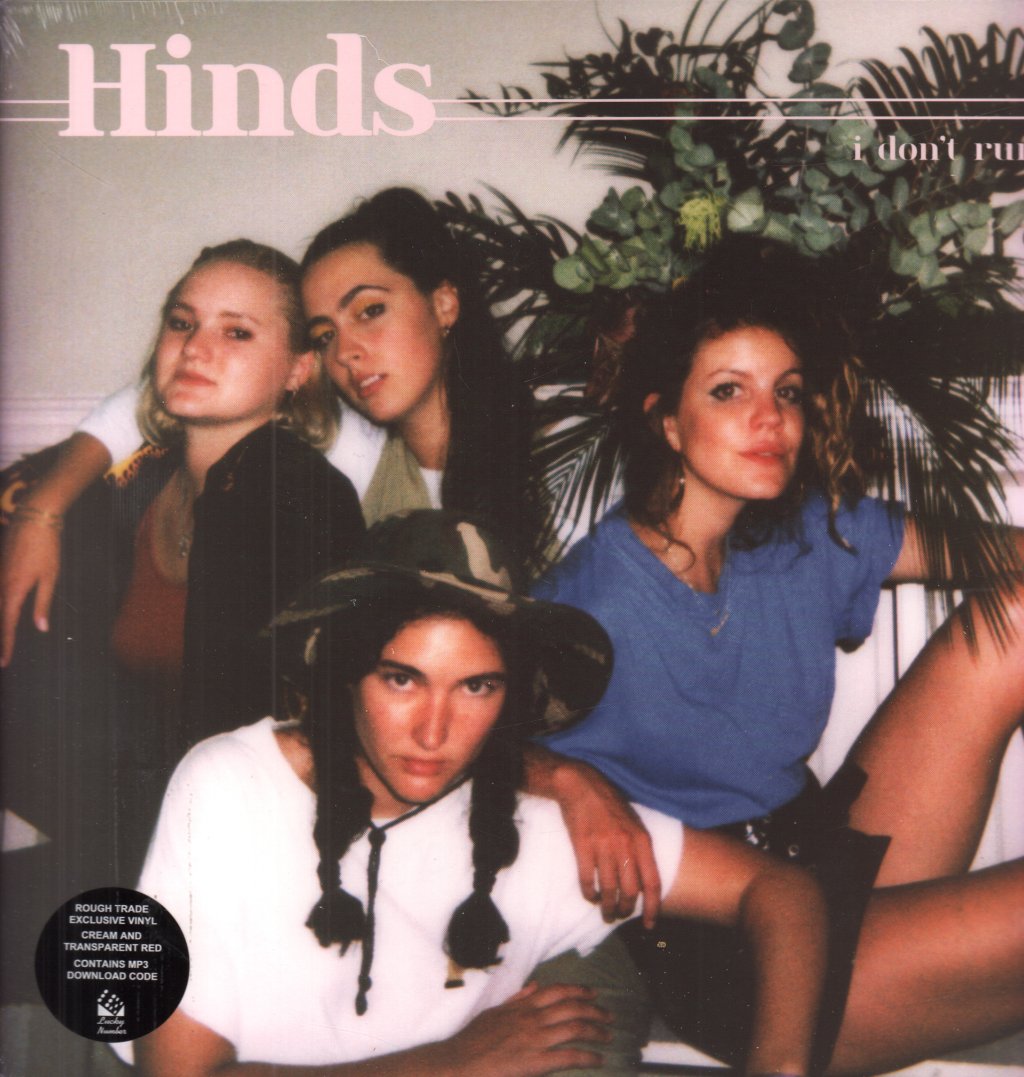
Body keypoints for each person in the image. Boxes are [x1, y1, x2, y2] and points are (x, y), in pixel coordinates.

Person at [531, 237, 1024, 1075]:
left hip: (820, 847)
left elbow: (986, 550)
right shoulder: (591, 599)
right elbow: (459, 741)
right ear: (666, 420)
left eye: (786, 391)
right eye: (730, 390)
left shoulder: (799, 535)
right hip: (726, 939)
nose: (771, 418)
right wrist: (569, 781)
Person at [121, 510, 827, 1077]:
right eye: (402, 679)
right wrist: (450, 1063)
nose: (434, 731)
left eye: (477, 687)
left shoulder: (539, 823)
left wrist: (781, 1065)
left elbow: (780, 890)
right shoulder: (231, 787)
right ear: (342, 670)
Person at [1, 188, 541, 669]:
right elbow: (160, 392)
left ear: (444, 303)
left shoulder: (552, 460)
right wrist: (41, 511)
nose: (347, 350)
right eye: (325, 335)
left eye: (370, 310)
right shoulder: (352, 439)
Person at [1, 240, 364, 917]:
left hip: (243, 864)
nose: (196, 347)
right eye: (182, 322)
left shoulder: (300, 500)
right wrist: (37, 516)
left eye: (237, 332)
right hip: (136, 830)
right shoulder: (138, 484)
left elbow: (292, 738)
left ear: (297, 370)